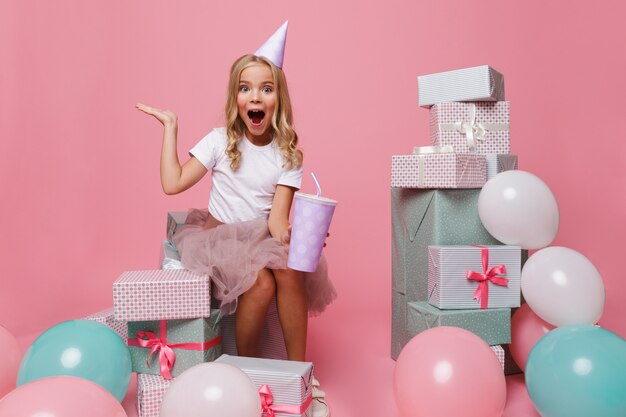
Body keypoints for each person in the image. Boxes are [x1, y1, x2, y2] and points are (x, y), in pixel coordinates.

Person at [137, 22, 334, 416]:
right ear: (236, 98)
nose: (255, 97)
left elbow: (277, 219)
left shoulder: (288, 153)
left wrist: (293, 239)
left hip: (260, 235)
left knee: (289, 270)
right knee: (259, 284)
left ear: (278, 98)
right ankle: (245, 373)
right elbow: (172, 183)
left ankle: (298, 373)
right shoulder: (218, 141)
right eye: (245, 88)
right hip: (219, 237)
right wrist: (171, 128)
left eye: (266, 88)